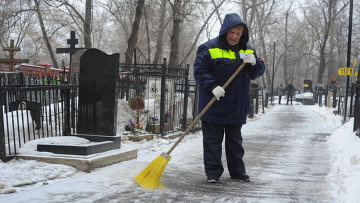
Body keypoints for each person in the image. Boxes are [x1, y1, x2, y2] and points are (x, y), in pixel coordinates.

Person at [193, 13, 265, 183]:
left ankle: (238, 172)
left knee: (235, 142)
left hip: (236, 105)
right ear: (225, 31)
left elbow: (256, 73)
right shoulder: (209, 48)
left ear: (242, 34)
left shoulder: (247, 49)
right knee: (212, 142)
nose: (235, 36)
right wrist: (213, 86)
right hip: (214, 104)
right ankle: (213, 173)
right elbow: (200, 72)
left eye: (238, 33)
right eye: (232, 32)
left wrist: (256, 62)